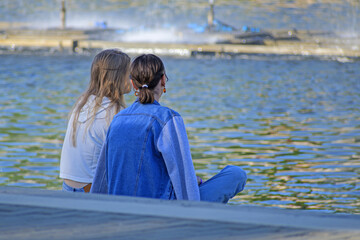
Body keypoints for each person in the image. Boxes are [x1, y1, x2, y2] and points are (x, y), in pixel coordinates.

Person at [91, 54, 247, 203]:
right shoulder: (168, 119)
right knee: (236, 174)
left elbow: (101, 179)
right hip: (162, 211)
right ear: (163, 80)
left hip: (122, 210)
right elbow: (184, 182)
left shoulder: (118, 119)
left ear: (133, 84)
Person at [60, 49, 131, 192]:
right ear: (116, 77)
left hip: (68, 187)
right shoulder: (115, 112)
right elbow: (125, 163)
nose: (133, 78)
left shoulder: (83, 102)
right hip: (91, 190)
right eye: (129, 73)